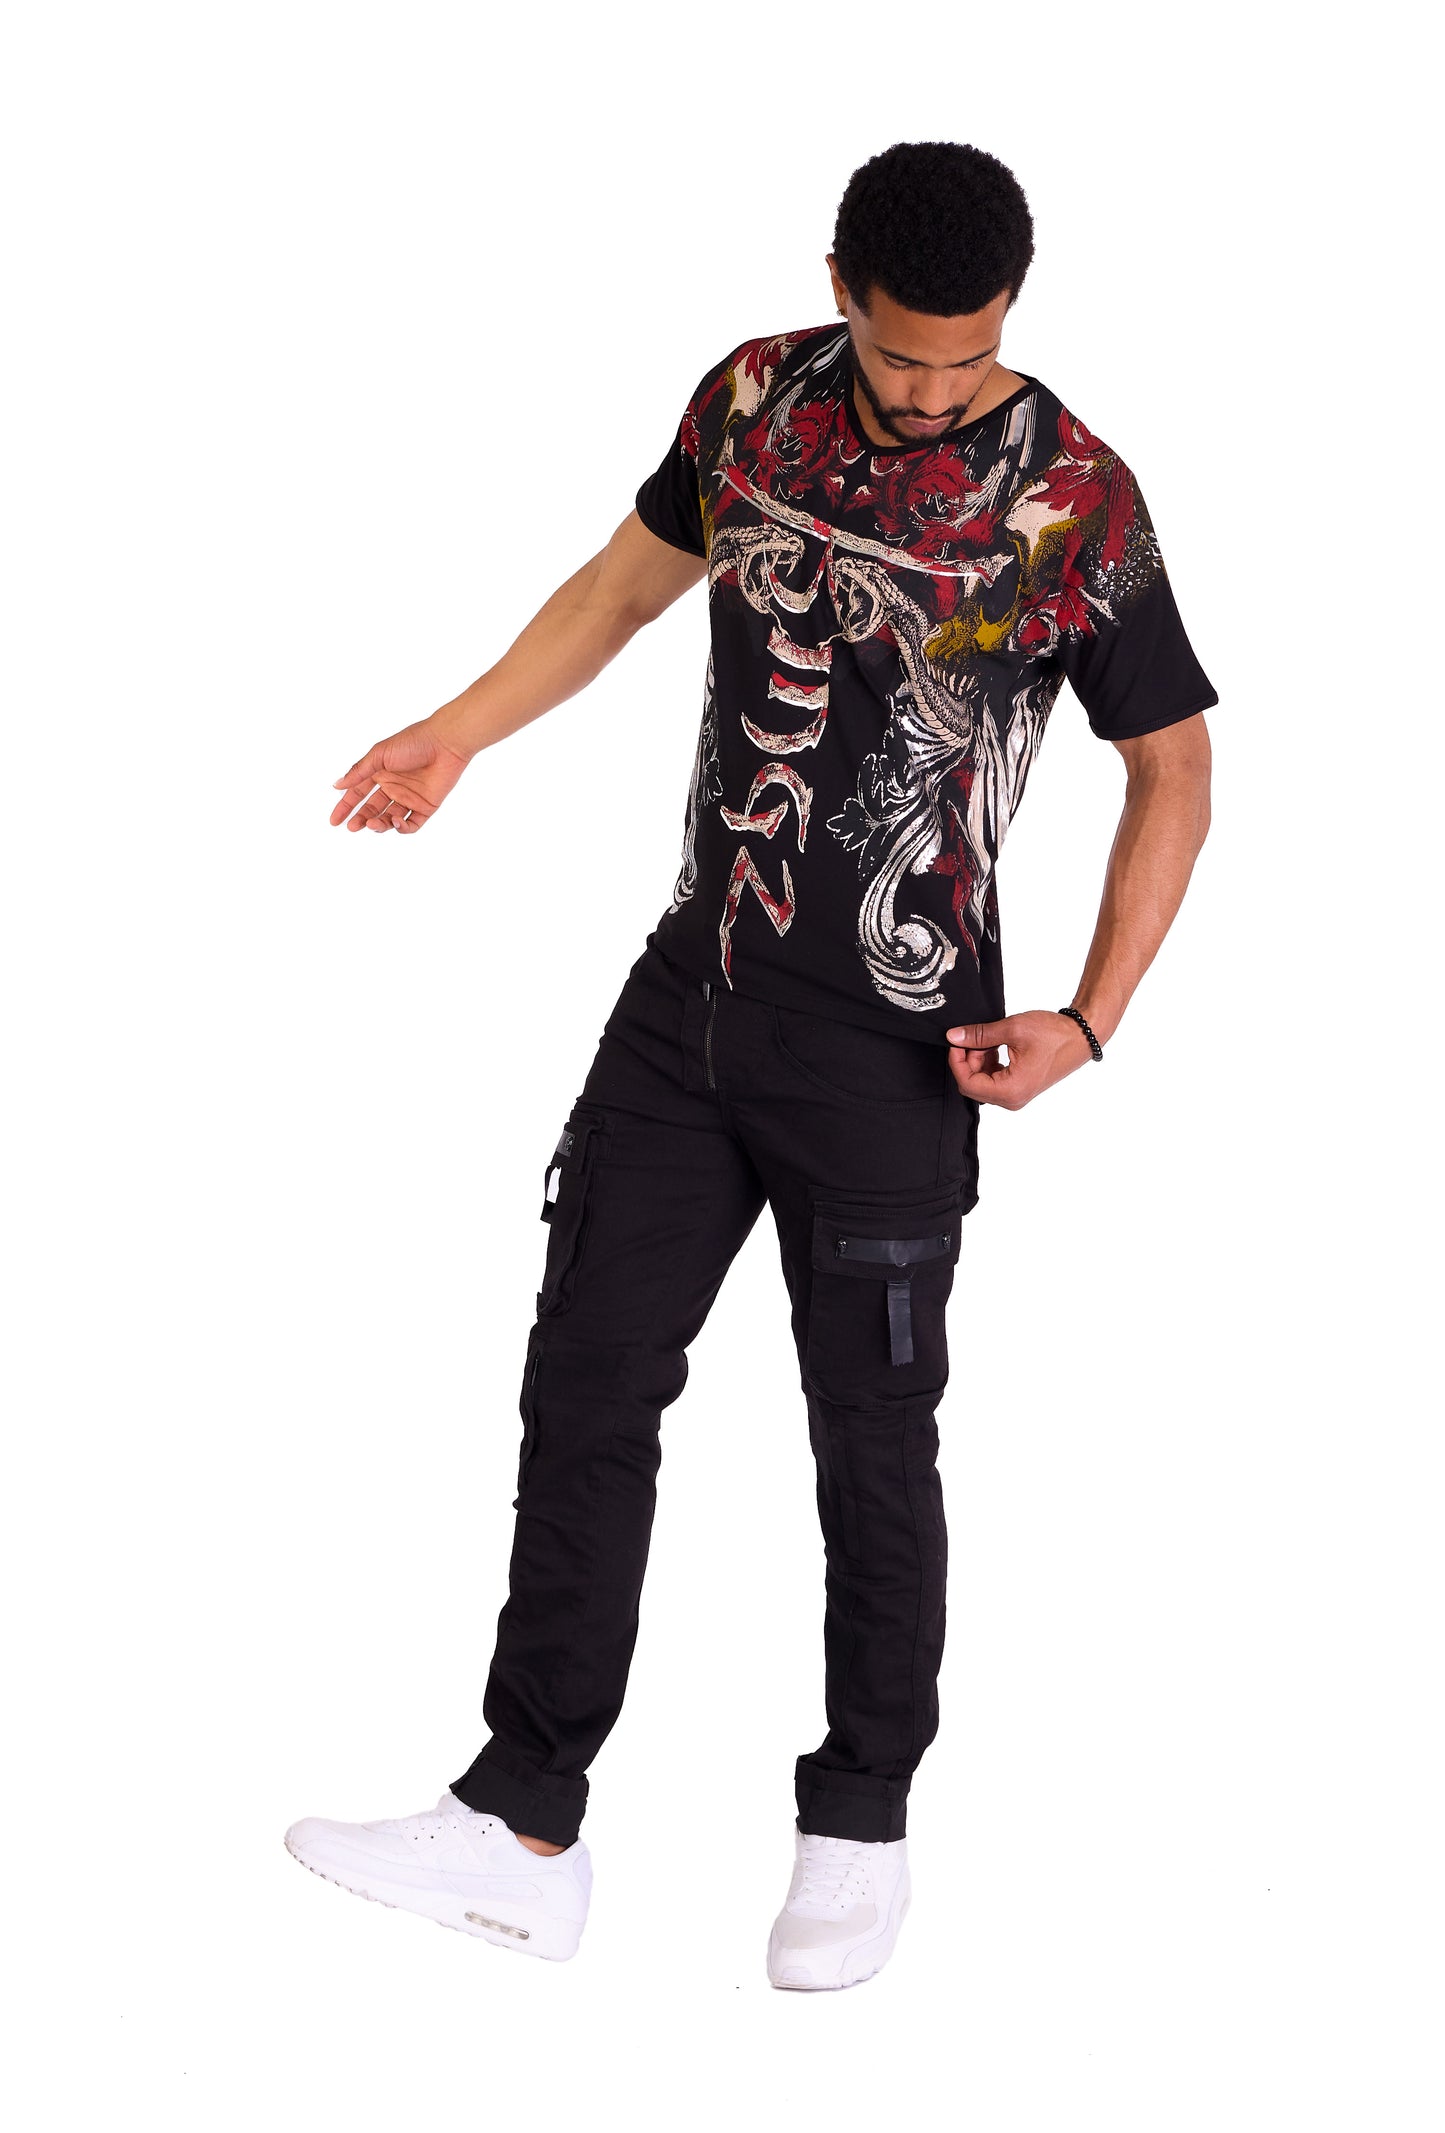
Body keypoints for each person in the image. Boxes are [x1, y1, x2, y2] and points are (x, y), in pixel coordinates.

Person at [284, 139, 1217, 1990]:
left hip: (897, 1037)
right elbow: (619, 591)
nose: (931, 393)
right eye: (900, 355)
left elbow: (1174, 767)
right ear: (838, 289)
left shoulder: (1073, 502)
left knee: (868, 1433)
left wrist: (1091, 1016)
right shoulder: (750, 399)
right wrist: (458, 731)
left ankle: (857, 1824)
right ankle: (521, 1819)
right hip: (691, 993)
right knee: (584, 1378)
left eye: (967, 358)